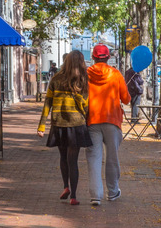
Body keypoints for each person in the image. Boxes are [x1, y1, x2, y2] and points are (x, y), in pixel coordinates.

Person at [37, 50, 92, 205]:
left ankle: (65, 187)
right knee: (73, 160)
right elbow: (85, 105)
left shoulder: (56, 78)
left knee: (63, 158)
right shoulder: (83, 80)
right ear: (81, 62)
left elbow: (47, 102)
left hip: (59, 124)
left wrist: (41, 126)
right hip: (76, 125)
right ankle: (74, 196)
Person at [86, 44, 130, 206]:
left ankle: (95, 195)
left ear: (93, 57)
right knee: (112, 158)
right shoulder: (115, 74)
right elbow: (126, 99)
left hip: (92, 120)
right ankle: (112, 191)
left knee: (93, 158)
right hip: (112, 120)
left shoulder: (86, 74)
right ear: (108, 57)